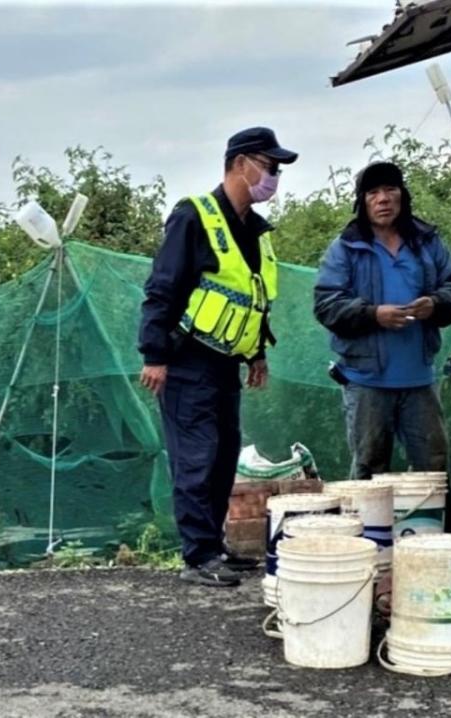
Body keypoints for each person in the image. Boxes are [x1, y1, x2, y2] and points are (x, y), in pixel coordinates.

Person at [138, 127, 298, 587]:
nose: (274, 177)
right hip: (186, 359)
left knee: (224, 455)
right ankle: (198, 556)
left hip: (227, 362)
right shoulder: (194, 217)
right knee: (197, 457)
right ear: (239, 163)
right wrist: (155, 354)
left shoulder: (257, 232)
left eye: (277, 169)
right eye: (269, 166)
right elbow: (162, 288)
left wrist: (258, 355)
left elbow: (254, 299)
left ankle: (215, 546)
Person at [313, 161, 451, 479]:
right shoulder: (346, 248)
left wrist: (435, 304)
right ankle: (372, 531)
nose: (383, 198)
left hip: (420, 380)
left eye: (390, 189)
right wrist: (373, 314)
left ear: (402, 195)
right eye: (373, 192)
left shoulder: (427, 242)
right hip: (367, 382)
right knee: (370, 471)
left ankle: (430, 530)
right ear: (362, 201)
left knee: (433, 471)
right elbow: (326, 304)